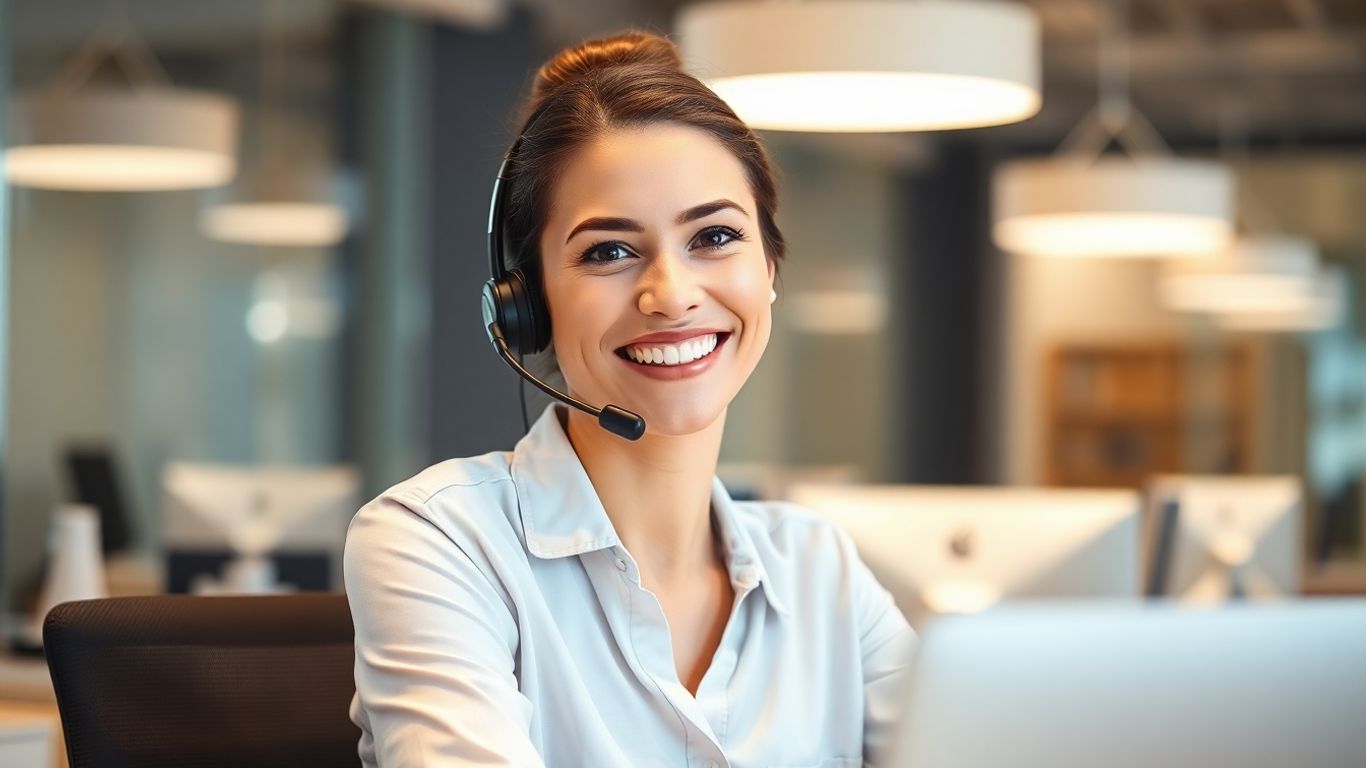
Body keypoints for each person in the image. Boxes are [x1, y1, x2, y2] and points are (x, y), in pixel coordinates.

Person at [344, 30, 916, 768]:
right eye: (608, 251)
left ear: (770, 270)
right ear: (530, 304)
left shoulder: (818, 568)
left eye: (714, 236)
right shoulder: (441, 541)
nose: (671, 296)